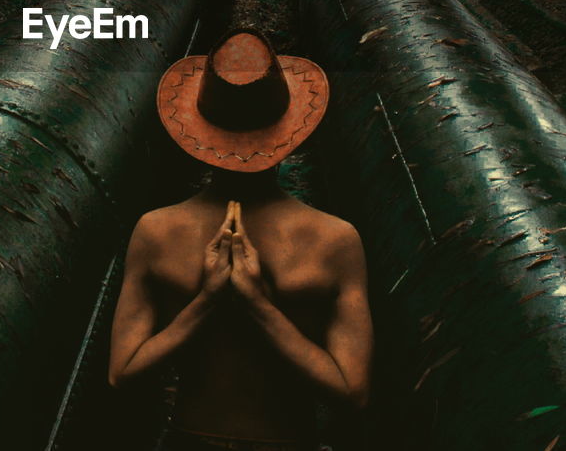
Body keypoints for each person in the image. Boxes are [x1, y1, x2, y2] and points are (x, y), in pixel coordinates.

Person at [108, 28, 373, 451]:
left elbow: (123, 371)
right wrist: (259, 305)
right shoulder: (334, 239)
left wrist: (208, 301)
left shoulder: (156, 230)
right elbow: (350, 391)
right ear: (287, 133)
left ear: (198, 132)